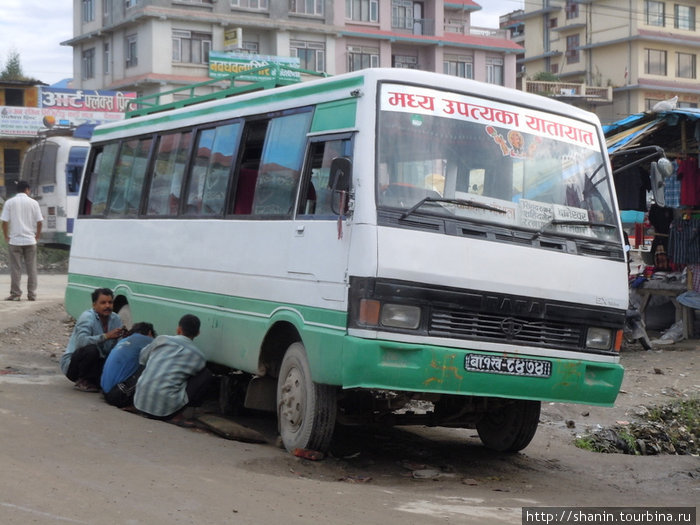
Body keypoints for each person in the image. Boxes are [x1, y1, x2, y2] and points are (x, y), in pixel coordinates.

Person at [133, 314, 213, 426]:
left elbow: (142, 358)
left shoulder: (161, 339)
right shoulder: (199, 357)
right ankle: (183, 413)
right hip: (166, 412)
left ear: (178, 329)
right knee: (205, 374)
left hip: (139, 403)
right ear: (198, 333)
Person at [60, 288, 124, 392]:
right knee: (91, 350)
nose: (107, 306)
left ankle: (94, 381)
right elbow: (81, 342)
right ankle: (83, 380)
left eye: (110, 302)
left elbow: (119, 344)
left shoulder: (116, 319)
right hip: (74, 365)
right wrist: (106, 336)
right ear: (94, 305)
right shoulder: (87, 317)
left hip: (98, 362)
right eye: (103, 303)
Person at [1, 181, 44, 301]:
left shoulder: (10, 202)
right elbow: (40, 222)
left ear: (17, 190)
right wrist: (37, 236)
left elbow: (4, 222)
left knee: (16, 268)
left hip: (14, 241)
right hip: (30, 240)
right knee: (32, 269)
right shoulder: (34, 203)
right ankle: (32, 294)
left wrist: (6, 236)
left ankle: (16, 294)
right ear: (27, 189)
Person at [101, 322, 156, 408]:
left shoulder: (123, 341)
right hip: (118, 395)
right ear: (149, 333)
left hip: (105, 391)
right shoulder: (147, 340)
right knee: (153, 368)